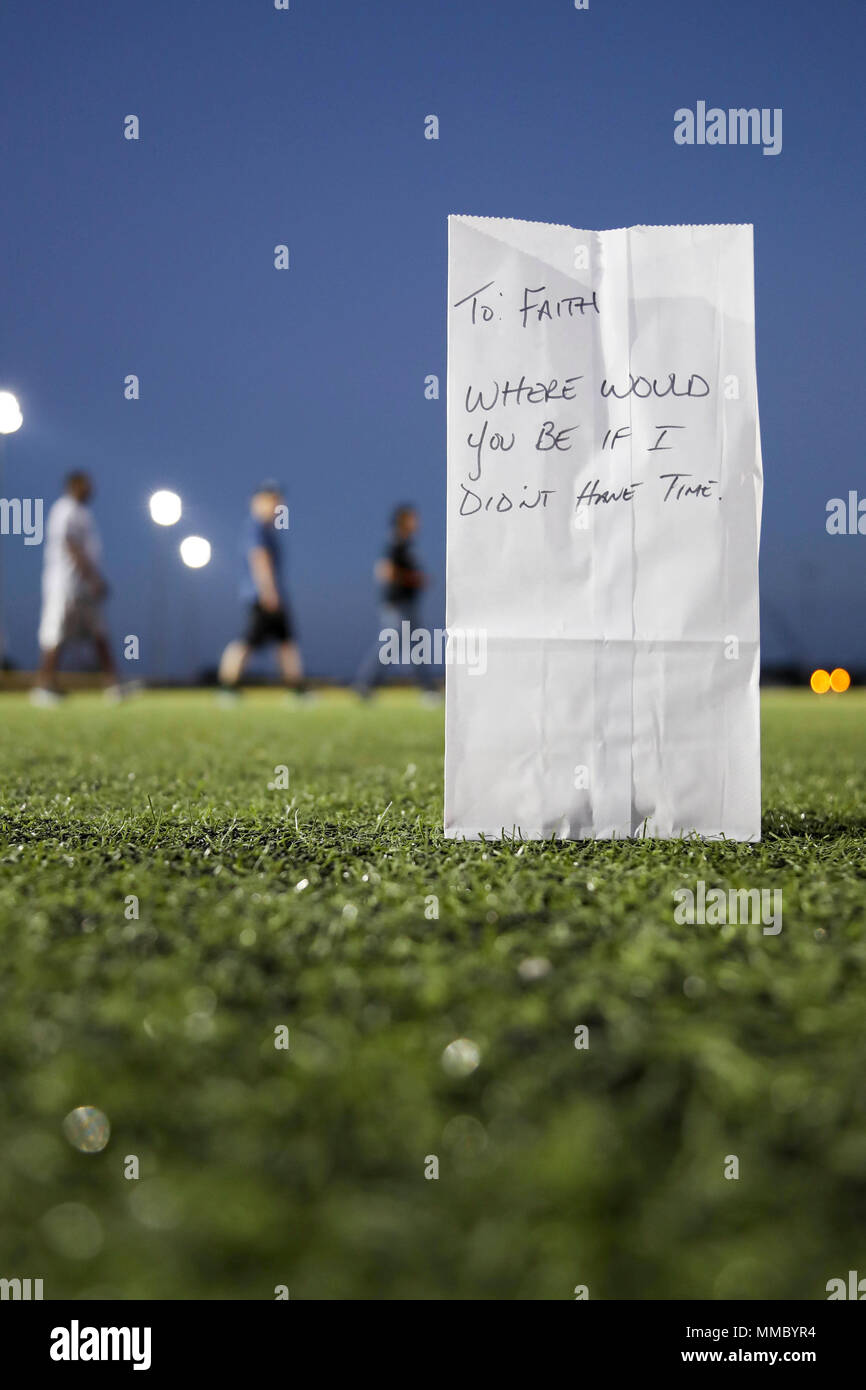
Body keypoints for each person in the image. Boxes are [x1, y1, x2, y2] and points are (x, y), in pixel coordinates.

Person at [32, 471, 122, 705]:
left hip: (83, 587)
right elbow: (69, 543)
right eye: (86, 485)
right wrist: (93, 577)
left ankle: (113, 686)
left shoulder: (83, 513)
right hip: (65, 583)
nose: (91, 489)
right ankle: (44, 686)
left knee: (99, 633)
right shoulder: (65, 509)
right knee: (55, 632)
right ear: (74, 486)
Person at [218, 481, 307, 697]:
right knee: (246, 641)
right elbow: (260, 560)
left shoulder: (267, 529)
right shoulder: (256, 528)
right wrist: (269, 592)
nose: (277, 506)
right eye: (272, 500)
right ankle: (227, 688)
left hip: (271, 594)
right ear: (258, 501)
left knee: (286, 643)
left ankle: (297, 690)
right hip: (263, 595)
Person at [354, 504, 438, 698]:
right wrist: (414, 578)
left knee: (417, 646)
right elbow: (385, 572)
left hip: (408, 605)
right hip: (397, 605)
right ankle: (364, 685)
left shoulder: (408, 545)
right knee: (390, 645)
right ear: (403, 520)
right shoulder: (396, 543)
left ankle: (428, 689)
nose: (418, 523)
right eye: (413, 519)